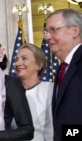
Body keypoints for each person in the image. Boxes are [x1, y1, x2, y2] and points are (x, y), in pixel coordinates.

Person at [44, 9, 82, 141]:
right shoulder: (63, 67)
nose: (47, 37)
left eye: (54, 30)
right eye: (46, 32)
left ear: (74, 31)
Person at [14, 43, 53, 141]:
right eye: (16, 59)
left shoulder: (50, 89)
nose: (18, 63)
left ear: (39, 65)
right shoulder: (8, 91)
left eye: (24, 58)